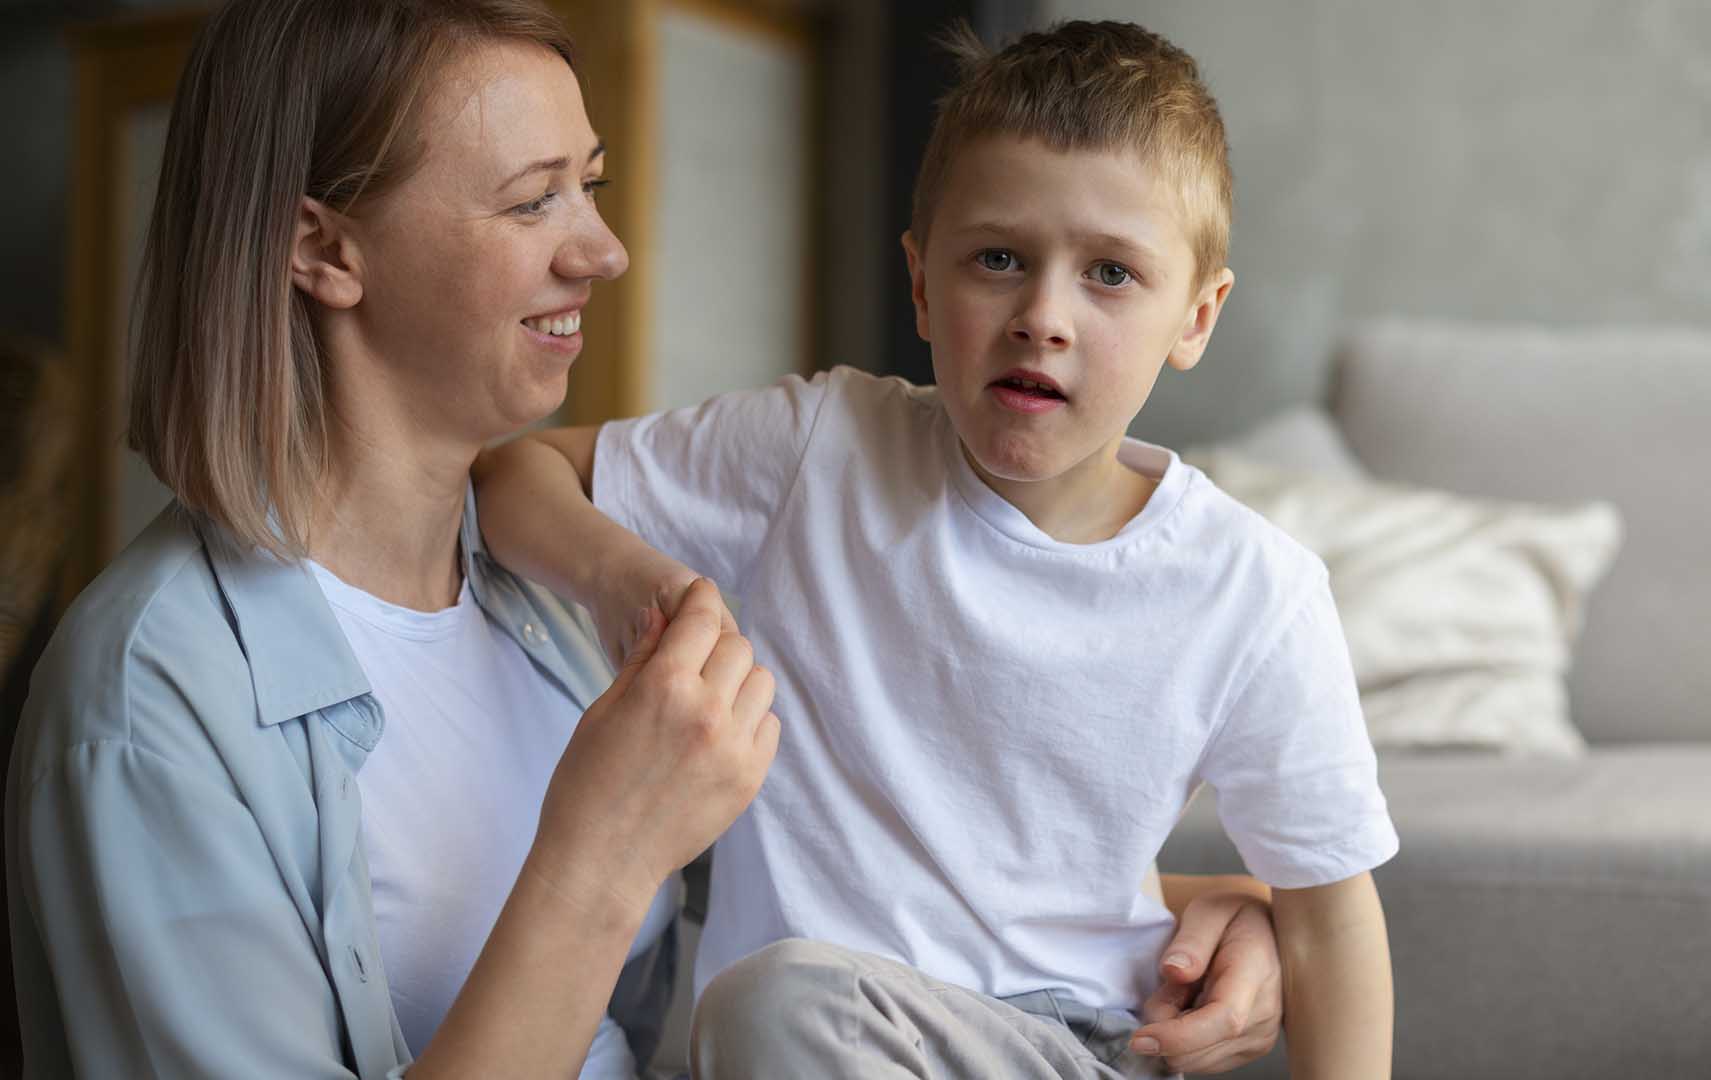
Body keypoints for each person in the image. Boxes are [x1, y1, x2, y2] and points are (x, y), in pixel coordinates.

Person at [7, 3, 1286, 1077]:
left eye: (592, 187)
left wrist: (1181, 922)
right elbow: (606, 876)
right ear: (321, 248)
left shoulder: (545, 590)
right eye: (531, 204)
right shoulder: (150, 706)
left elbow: (832, 883)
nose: (604, 251)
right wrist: (600, 856)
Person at [474, 19, 1398, 1080]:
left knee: (777, 1004)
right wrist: (648, 580)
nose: (1042, 316)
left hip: (1075, 1049)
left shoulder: (1254, 591)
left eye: (1109, 274)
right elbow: (515, 476)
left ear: (1196, 316)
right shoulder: (815, 448)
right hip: (805, 1036)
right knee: (776, 1004)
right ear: (920, 284)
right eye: (998, 259)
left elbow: (1330, 915)